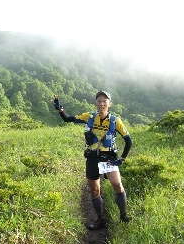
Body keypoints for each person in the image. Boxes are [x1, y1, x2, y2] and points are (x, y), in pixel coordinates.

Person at [53, 91, 133, 230]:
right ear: (95, 103)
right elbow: (68, 119)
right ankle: (100, 219)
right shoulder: (88, 117)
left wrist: (122, 159)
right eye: (99, 101)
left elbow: (128, 141)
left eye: (104, 101)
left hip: (108, 158)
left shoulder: (115, 121)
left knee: (117, 184)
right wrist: (60, 110)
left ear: (109, 104)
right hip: (92, 158)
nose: (101, 103)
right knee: (95, 190)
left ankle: (123, 215)